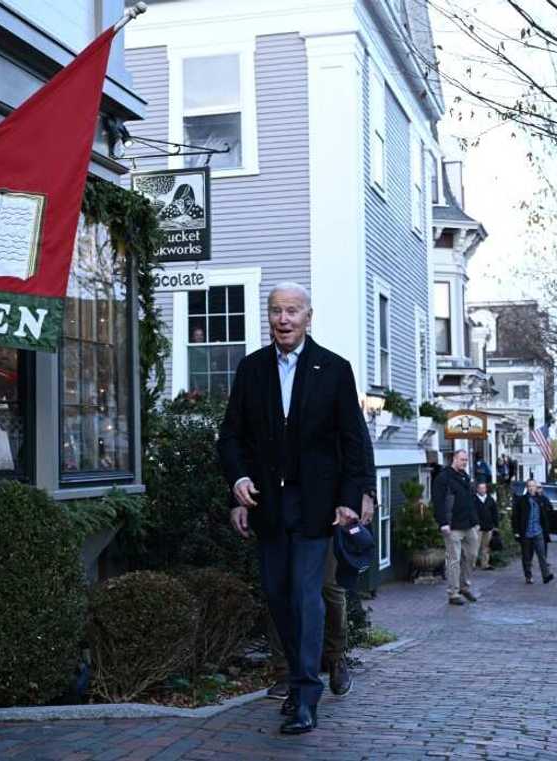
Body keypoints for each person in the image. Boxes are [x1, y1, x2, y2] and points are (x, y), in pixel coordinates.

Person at [218, 282, 372, 735]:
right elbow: (231, 437)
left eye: (292, 311)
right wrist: (238, 483)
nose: (283, 319)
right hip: (268, 502)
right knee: (277, 594)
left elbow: (353, 441)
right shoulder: (251, 370)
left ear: (309, 316)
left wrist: (351, 497)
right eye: (276, 311)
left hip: (316, 505)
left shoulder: (335, 370)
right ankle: (302, 673)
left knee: (307, 596)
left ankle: (305, 694)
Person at [265, 491, 374, 704]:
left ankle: (335, 659)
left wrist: (365, 493)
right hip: (281, 510)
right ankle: (284, 671)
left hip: (324, 511)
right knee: (279, 590)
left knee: (329, 587)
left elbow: (356, 458)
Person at [431, 449, 480, 605]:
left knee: (471, 556)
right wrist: (443, 523)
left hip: (469, 524)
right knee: (454, 560)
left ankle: (464, 586)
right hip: (452, 526)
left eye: (466, 460)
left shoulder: (465, 477)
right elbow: (438, 502)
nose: (464, 462)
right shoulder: (443, 478)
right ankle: (453, 593)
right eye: (461, 459)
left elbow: (471, 501)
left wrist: (476, 521)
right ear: (454, 459)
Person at [513, 478, 554, 584]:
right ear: (527, 487)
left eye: (533, 486)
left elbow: (548, 512)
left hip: (538, 531)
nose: (531, 488)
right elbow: (515, 516)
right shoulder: (521, 500)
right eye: (529, 486)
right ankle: (528, 576)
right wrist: (516, 531)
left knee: (542, 554)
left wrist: (546, 531)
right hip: (526, 532)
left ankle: (546, 575)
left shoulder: (541, 499)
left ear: (536, 487)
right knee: (527, 556)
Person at [474, 481, 499, 570]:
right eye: (480, 488)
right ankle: (471, 564)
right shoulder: (473, 499)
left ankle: (485, 564)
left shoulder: (490, 499)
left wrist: (496, 525)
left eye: (484, 488)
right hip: (477, 527)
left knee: (486, 547)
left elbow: (495, 512)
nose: (482, 490)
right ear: (477, 489)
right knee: (475, 546)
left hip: (488, 527)